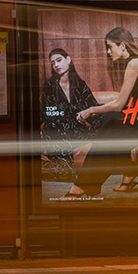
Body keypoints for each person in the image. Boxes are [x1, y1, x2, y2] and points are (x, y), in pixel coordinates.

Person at [64, 27, 138, 197]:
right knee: (110, 121)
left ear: (123, 46)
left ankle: (83, 185)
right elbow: (126, 102)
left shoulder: (134, 64)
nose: (108, 51)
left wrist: (91, 110)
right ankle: (128, 172)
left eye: (110, 46)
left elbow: (120, 104)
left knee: (109, 129)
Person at [40, 47, 99, 180]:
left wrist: (89, 118)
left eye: (59, 60)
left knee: (102, 128)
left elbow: (93, 106)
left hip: (77, 127)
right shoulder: (49, 86)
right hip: (57, 129)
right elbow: (46, 114)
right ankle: (68, 172)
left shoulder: (80, 84)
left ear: (68, 59)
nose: (56, 65)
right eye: (53, 63)